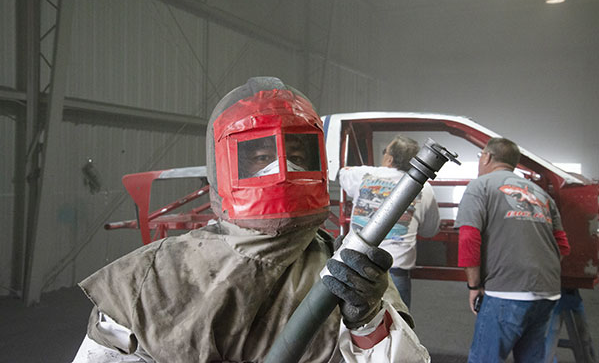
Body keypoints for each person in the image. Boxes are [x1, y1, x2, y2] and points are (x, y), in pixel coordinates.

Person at [72, 77, 431, 363]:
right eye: (261, 157)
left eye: (297, 154)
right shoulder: (150, 278)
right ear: (224, 163)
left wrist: (367, 321)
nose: (283, 168)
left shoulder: (349, 275)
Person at [455, 137, 571, 363]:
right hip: (547, 291)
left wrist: (474, 286)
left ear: (487, 157)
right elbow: (563, 246)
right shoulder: (541, 194)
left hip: (506, 292)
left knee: (485, 358)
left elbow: (469, 238)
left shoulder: (480, 186)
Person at [338, 135, 440, 308]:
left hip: (356, 265)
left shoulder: (363, 174)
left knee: (349, 319)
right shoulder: (425, 188)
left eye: (385, 151)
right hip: (395, 270)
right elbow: (430, 229)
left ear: (389, 159)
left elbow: (341, 173)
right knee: (397, 322)